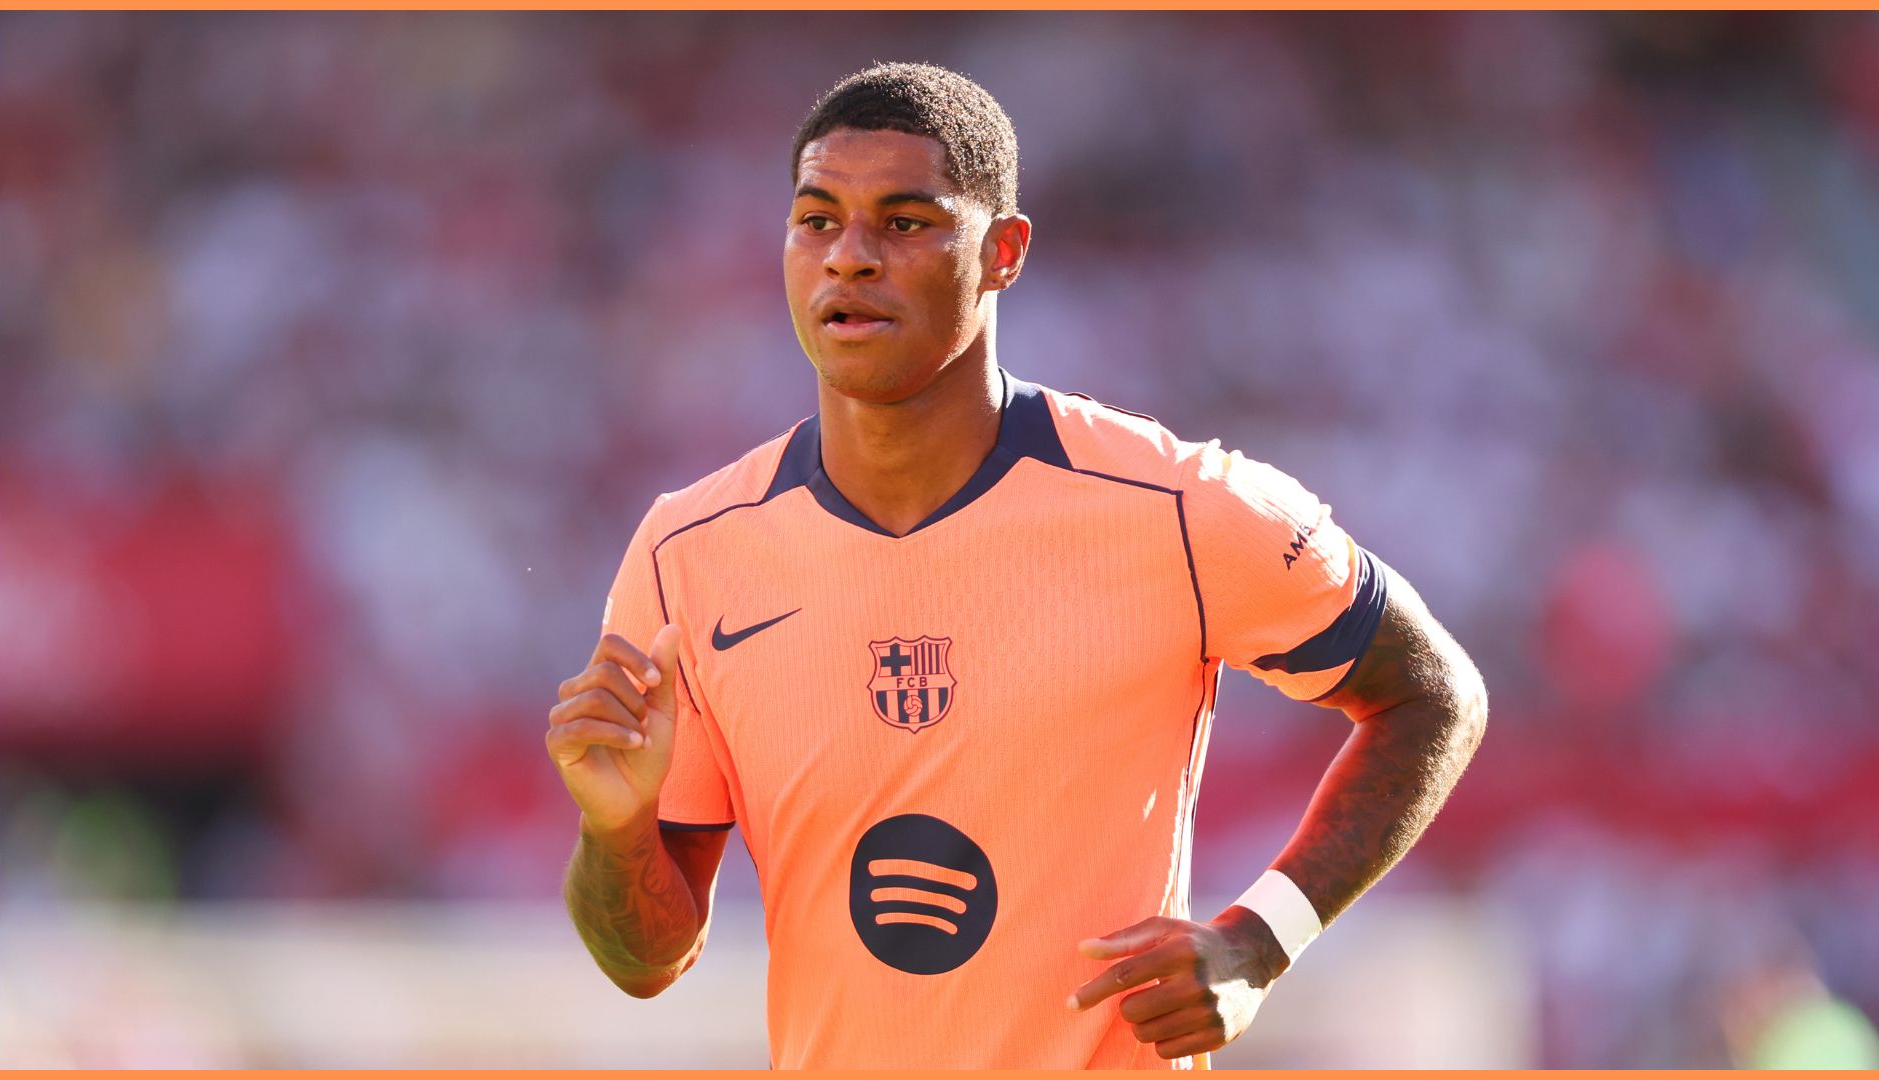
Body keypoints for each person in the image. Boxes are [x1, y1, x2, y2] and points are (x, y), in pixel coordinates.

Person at [546, 61, 1487, 1069]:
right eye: (817, 221)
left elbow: (1434, 694)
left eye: (905, 222)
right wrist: (616, 827)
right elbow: (645, 960)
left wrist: (1262, 939)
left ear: (1003, 252)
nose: (849, 257)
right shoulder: (688, 553)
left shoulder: (1179, 507)